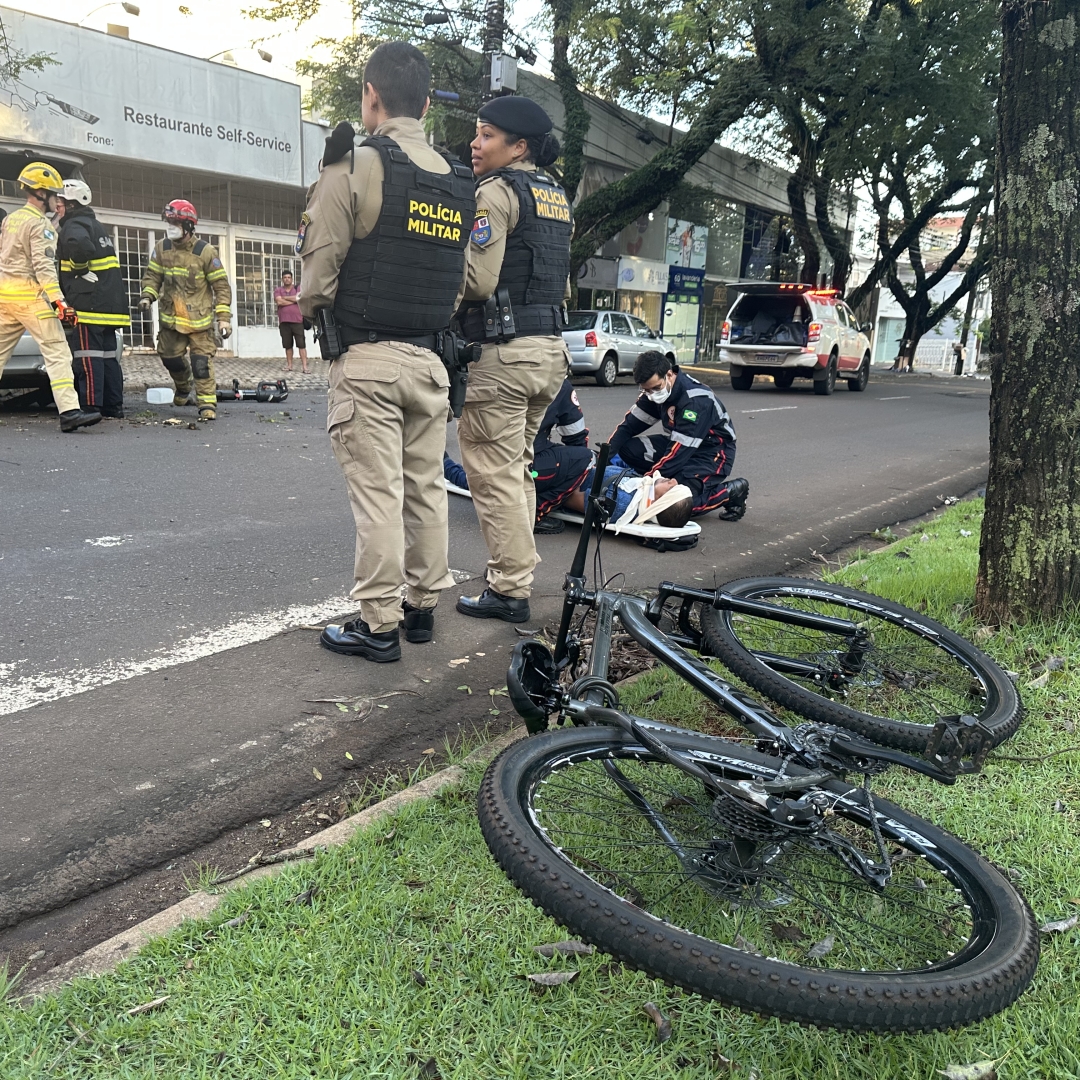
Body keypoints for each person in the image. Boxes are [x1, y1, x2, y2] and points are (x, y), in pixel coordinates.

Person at [297, 41, 475, 663]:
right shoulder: (458, 181)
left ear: (370, 96)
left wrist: (315, 309)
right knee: (424, 488)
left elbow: (319, 271)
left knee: (378, 496)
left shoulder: (356, 165)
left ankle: (378, 626)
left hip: (368, 358)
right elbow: (464, 283)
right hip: (431, 363)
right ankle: (423, 610)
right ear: (426, 103)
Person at [454, 95, 574, 625]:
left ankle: (508, 589)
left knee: (492, 473)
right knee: (516, 470)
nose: (474, 145)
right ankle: (514, 578)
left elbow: (478, 280)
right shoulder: (555, 194)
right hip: (549, 352)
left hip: (503, 355)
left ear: (518, 146)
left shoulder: (496, 192)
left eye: (485, 135)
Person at [0, 162, 100, 432]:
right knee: (57, 352)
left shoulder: (11, 219)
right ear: (42, 194)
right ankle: (70, 412)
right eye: (55, 196)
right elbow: (44, 269)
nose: (58, 202)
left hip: (5, 297)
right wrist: (61, 304)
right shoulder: (39, 224)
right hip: (31, 299)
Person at [608, 350, 749, 520]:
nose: (651, 394)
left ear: (669, 374)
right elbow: (628, 427)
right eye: (646, 390)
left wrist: (646, 486)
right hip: (679, 445)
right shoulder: (655, 393)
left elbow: (678, 454)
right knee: (627, 449)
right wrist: (604, 457)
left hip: (712, 454)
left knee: (677, 506)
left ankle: (730, 492)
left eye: (655, 388)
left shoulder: (695, 401)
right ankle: (667, 482)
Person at [444, 377, 592, 535]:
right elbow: (576, 438)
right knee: (585, 458)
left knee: (480, 480)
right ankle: (535, 512)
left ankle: (444, 464)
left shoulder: (487, 373)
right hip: (526, 469)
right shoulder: (557, 383)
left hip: (484, 464)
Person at [138, 200, 232, 421]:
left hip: (199, 323)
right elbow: (153, 277)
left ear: (189, 226)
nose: (171, 226)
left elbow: (221, 286)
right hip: (171, 320)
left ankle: (207, 404)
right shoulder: (162, 248)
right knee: (170, 358)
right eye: (169, 222)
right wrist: (147, 296)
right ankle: (183, 387)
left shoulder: (206, 252)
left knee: (201, 363)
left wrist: (224, 319)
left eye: (176, 222)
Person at [56, 178, 130, 419]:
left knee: (87, 357)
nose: (57, 207)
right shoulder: (95, 224)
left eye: (61, 202)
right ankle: (113, 406)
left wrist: (79, 269)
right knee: (108, 357)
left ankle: (90, 407)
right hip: (109, 305)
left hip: (89, 305)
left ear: (72, 204)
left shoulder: (74, 224)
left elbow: (78, 246)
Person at [274, 270, 309, 374]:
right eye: (285, 277)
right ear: (282, 279)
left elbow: (299, 298)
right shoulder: (278, 290)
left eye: (289, 277)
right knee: (288, 345)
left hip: (297, 321)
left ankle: (305, 367)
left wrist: (285, 298)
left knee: (301, 345)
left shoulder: (297, 288)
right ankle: (289, 365)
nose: (287, 279)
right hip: (284, 322)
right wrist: (292, 300)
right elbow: (279, 301)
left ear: (292, 279)